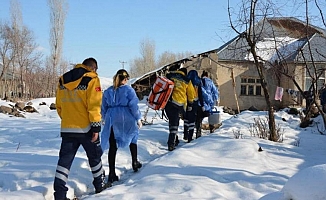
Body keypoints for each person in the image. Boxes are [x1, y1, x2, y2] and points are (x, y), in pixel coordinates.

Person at [54, 58, 106, 200]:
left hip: (67, 128)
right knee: (94, 157)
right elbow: (94, 105)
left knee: (64, 162)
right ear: (93, 68)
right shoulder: (92, 79)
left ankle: (59, 194)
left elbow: (59, 106)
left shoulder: (63, 80)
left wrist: (68, 119)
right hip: (86, 129)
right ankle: (100, 186)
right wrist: (96, 127)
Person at [101, 69, 143, 185]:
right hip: (126, 117)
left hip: (112, 119)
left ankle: (112, 174)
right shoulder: (129, 90)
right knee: (133, 136)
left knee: (113, 145)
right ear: (125, 79)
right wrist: (138, 118)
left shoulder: (108, 91)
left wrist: (105, 118)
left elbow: (103, 107)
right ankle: (134, 161)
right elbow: (133, 105)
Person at [165, 67, 196, 151]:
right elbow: (191, 94)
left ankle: (175, 139)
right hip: (178, 104)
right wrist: (190, 104)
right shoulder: (186, 80)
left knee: (172, 122)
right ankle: (171, 143)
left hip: (167, 103)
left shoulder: (169, 76)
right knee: (175, 124)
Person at [183, 70, 203, 143]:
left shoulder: (186, 80)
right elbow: (200, 94)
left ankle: (185, 134)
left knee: (186, 119)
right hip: (194, 103)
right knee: (192, 120)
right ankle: (190, 137)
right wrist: (202, 104)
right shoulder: (198, 82)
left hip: (186, 101)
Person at [197, 70, 219, 136]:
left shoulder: (199, 82)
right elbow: (215, 91)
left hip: (201, 103)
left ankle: (198, 132)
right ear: (207, 76)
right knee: (210, 116)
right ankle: (211, 129)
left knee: (199, 118)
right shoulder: (211, 82)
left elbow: (200, 92)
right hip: (209, 103)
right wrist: (216, 99)